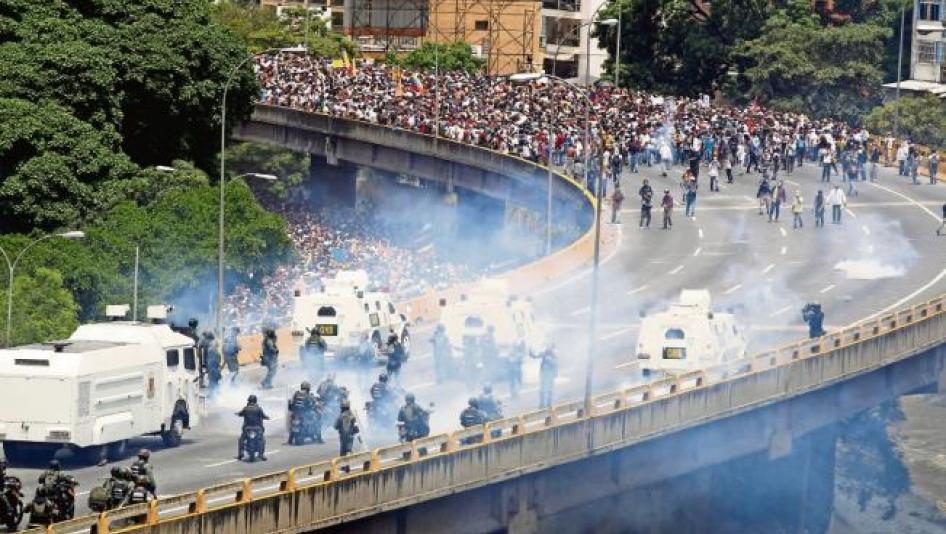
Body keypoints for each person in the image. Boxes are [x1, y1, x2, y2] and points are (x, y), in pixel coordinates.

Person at [236, 394, 270, 461]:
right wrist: (267, 417)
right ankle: (261, 455)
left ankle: (240, 454)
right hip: (257, 428)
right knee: (262, 440)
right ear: (255, 401)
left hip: (247, 428)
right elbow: (263, 416)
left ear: (249, 401)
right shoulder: (259, 409)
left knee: (241, 440)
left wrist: (237, 414)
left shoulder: (245, 408)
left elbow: (240, 414)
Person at [532, 344, 558, 409]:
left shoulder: (553, 355)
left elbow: (555, 364)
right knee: (542, 389)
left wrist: (555, 373)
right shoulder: (544, 353)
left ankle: (549, 404)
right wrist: (531, 353)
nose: (547, 348)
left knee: (549, 389)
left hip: (550, 373)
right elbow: (535, 356)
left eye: (549, 347)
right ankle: (542, 404)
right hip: (543, 373)